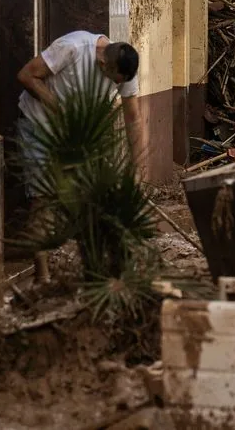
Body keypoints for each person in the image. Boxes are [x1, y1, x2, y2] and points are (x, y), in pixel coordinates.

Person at [16, 31, 144, 281]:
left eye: (119, 83)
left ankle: (96, 269)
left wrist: (136, 170)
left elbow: (134, 119)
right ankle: (42, 276)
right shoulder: (72, 48)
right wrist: (62, 111)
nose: (116, 86)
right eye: (112, 80)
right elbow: (26, 75)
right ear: (102, 64)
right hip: (40, 126)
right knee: (44, 198)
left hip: (78, 135)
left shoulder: (125, 71)